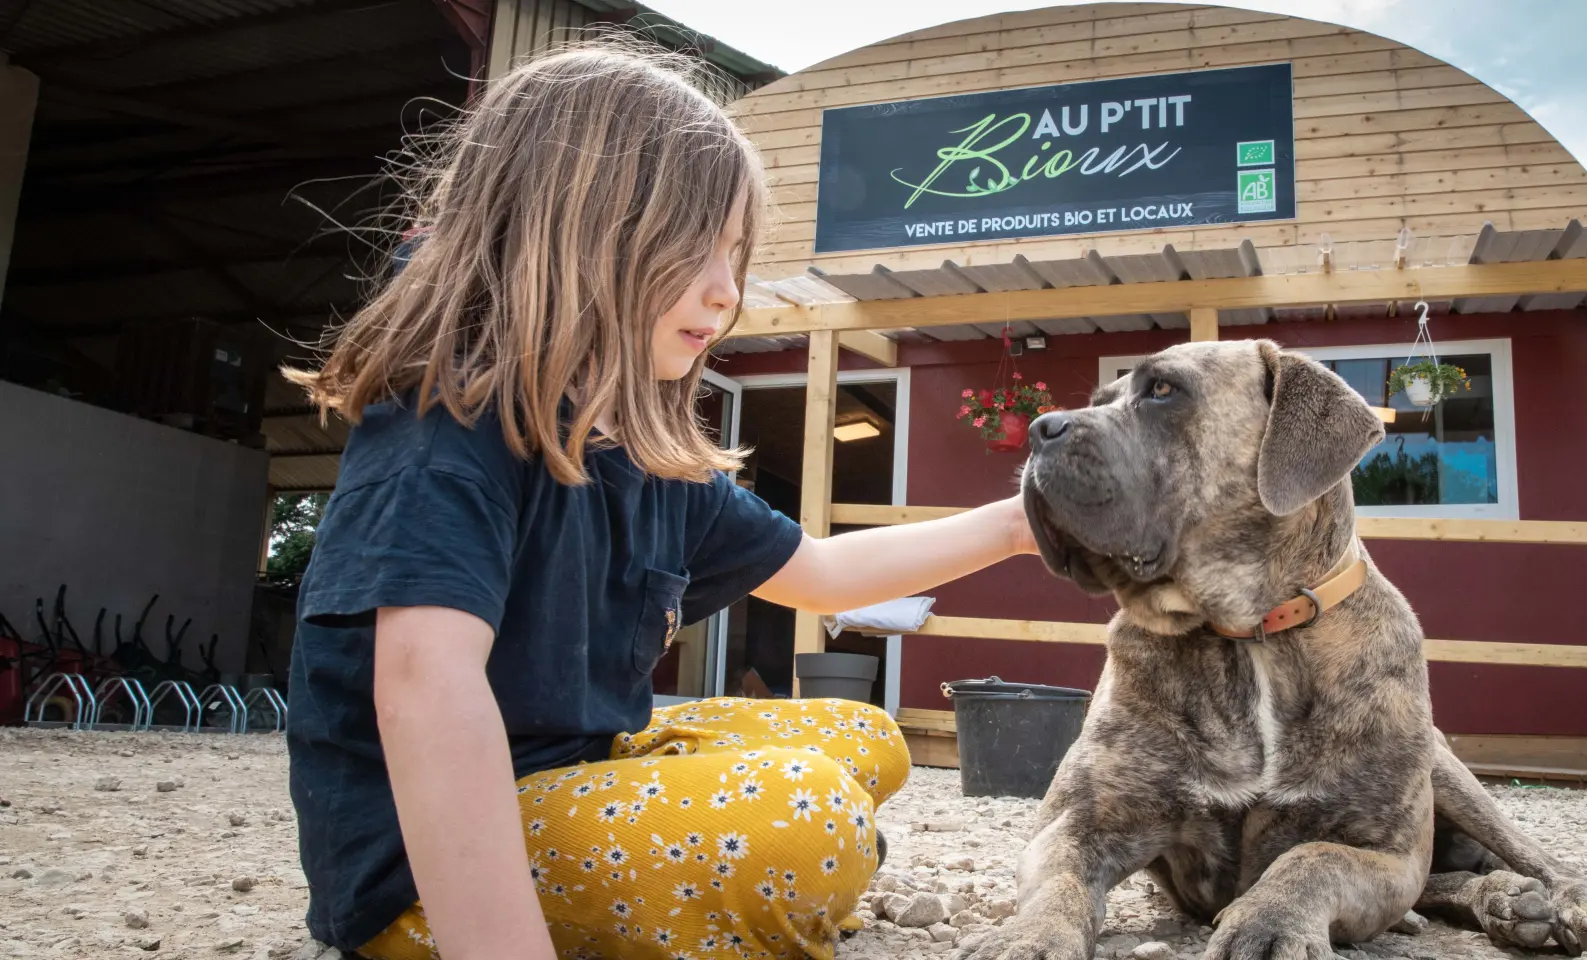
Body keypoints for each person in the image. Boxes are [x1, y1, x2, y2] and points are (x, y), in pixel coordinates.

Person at [282, 39, 1037, 960]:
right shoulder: (449, 419)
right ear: (576, 230)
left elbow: (825, 571)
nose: (727, 292)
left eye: (735, 255)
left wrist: (1018, 522)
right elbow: (423, 694)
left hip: (571, 774)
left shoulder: (639, 449)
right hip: (420, 860)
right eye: (697, 250)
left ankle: (737, 875)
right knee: (807, 817)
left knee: (864, 739)